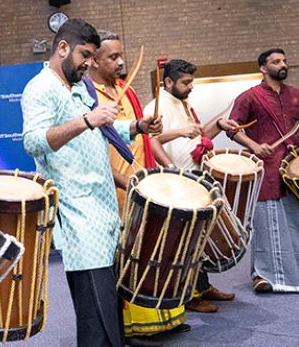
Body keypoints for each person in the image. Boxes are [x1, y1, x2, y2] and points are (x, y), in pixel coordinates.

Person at [21, 19, 161, 347]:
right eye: (85, 54)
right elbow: (33, 141)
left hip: (102, 209)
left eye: (93, 56)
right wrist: (86, 120)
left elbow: (101, 130)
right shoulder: (40, 88)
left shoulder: (78, 87)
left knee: (108, 307)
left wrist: (137, 126)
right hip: (78, 215)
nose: (90, 63)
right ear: (63, 48)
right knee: (95, 313)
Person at [88, 32, 188, 346]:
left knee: (151, 250)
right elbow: (94, 151)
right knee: (125, 256)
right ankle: (132, 326)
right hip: (116, 189)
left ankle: (162, 319)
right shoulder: (88, 96)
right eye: (112, 57)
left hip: (141, 181)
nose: (120, 62)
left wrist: (158, 159)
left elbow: (141, 136)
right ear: (93, 61)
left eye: (121, 55)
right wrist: (130, 183)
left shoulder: (125, 91)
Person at [143, 59, 238, 313]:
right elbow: (150, 140)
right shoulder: (155, 107)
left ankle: (203, 286)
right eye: (186, 83)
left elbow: (197, 137)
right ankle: (189, 295)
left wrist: (217, 126)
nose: (190, 87)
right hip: (176, 183)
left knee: (198, 239)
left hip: (194, 179)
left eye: (191, 82)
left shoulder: (185, 104)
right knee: (182, 242)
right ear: (169, 82)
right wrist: (172, 171)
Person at [227, 48, 299, 293]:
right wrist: (255, 146)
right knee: (268, 223)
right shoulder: (249, 96)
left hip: (295, 171)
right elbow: (233, 129)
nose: (282, 64)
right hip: (267, 171)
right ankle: (264, 276)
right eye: (276, 61)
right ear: (263, 68)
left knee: (295, 222)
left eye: (284, 61)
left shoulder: (295, 95)